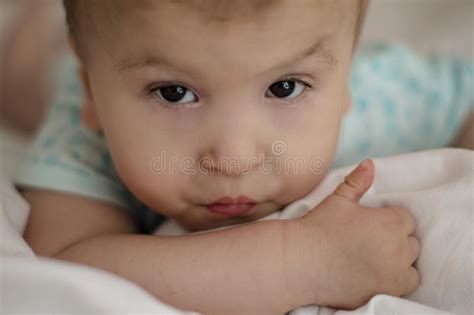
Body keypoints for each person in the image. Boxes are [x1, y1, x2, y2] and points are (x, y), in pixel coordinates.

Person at [14, 0, 435, 313]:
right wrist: (298, 261)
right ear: (91, 89)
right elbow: (66, 267)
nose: (234, 160)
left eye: (285, 87)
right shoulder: (84, 137)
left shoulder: (387, 98)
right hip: (49, 78)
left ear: (347, 76)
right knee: (20, 79)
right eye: (173, 92)